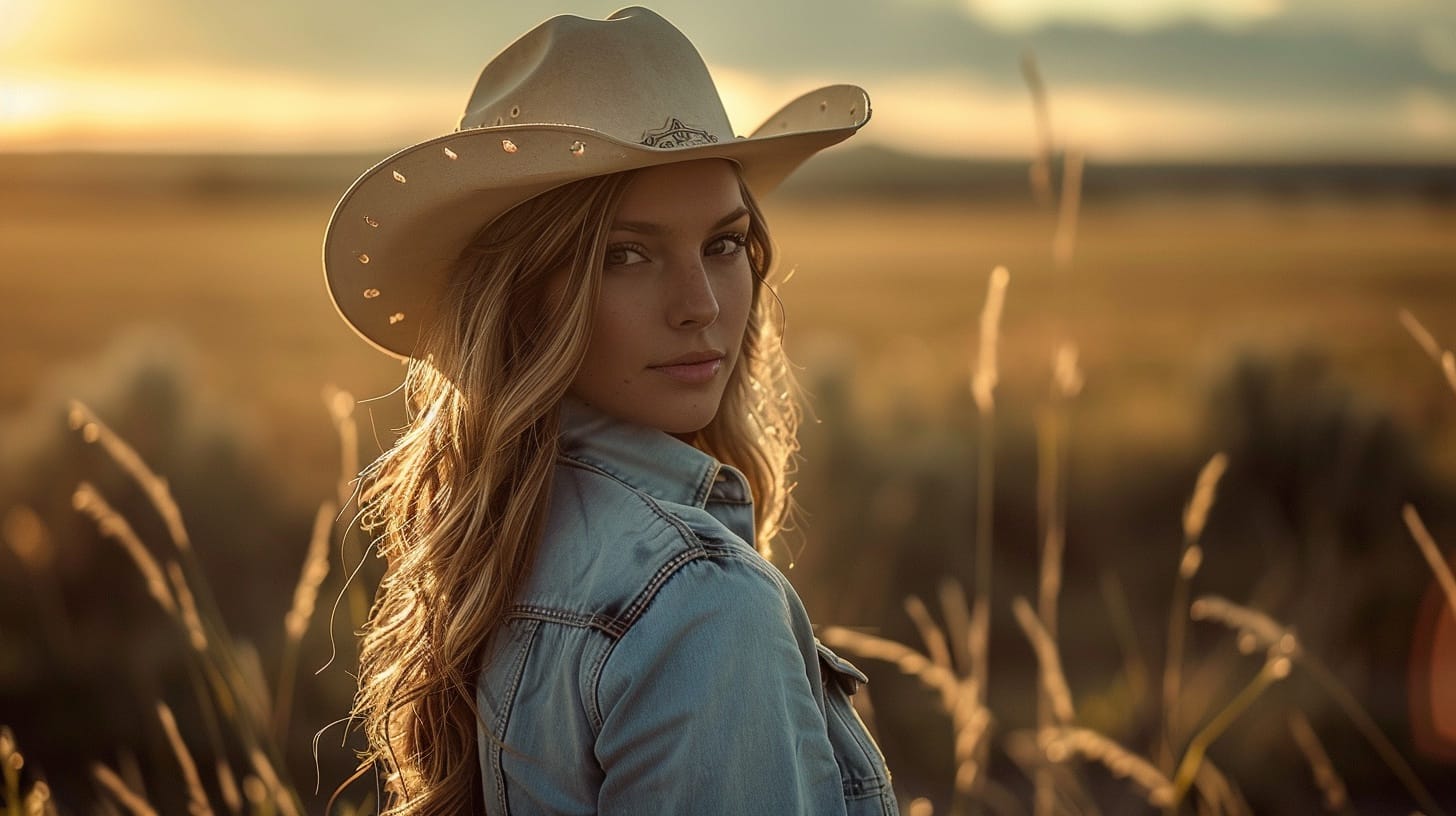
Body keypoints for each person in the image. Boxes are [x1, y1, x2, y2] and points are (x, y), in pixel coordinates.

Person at [321, 7, 895, 814]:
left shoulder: (507, 533)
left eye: (724, 244)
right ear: (522, 297)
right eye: (626, 255)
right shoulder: (701, 602)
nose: (700, 306)